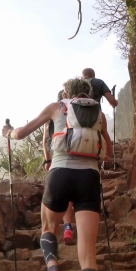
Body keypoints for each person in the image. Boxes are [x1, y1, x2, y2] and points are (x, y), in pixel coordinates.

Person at [2, 78, 113, 271]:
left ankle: (53, 270)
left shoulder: (57, 107)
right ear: (87, 94)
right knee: (88, 256)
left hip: (59, 173)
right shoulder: (99, 114)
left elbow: (21, 133)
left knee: (47, 226)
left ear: (66, 93)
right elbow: (108, 153)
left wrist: (8, 132)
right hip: (89, 179)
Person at [43, 90, 75, 245]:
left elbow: (45, 140)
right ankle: (68, 226)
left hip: (57, 161)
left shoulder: (52, 115)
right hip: (76, 159)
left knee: (57, 198)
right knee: (71, 196)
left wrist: (47, 160)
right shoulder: (75, 113)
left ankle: (56, 235)